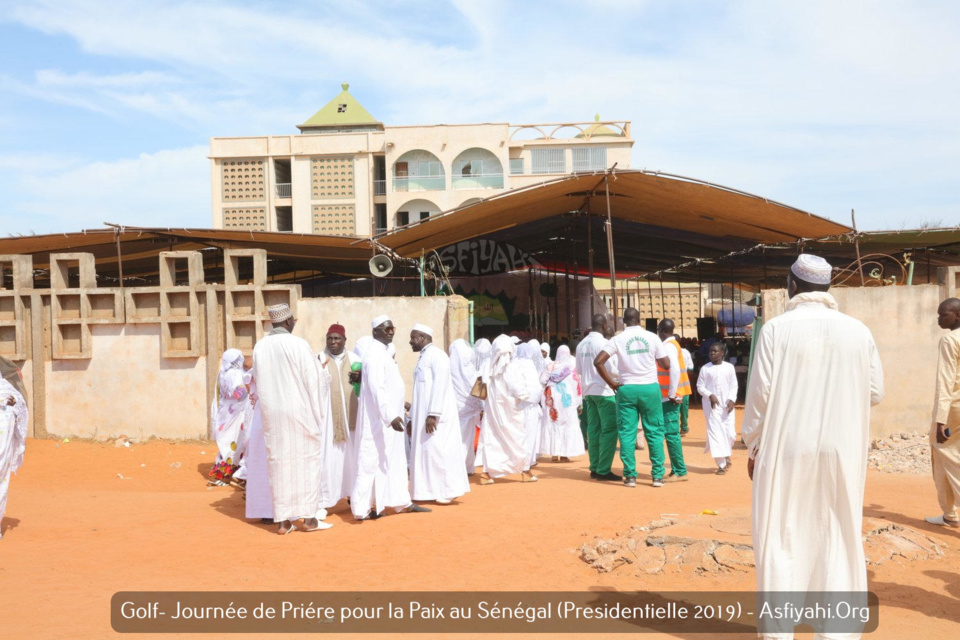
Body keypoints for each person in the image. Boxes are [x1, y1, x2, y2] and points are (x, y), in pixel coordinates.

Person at [742, 254, 884, 632]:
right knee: (837, 530)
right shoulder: (859, 331)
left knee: (780, 534)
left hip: (786, 447)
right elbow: (875, 392)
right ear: (827, 288)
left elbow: (759, 398)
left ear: (793, 285)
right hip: (842, 449)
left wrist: (753, 446)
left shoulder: (776, 330)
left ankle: (778, 629)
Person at [252, 304, 330, 534]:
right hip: (299, 413)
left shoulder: (260, 347)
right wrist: (318, 414)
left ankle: (284, 522)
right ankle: (309, 519)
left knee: (279, 463)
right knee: (307, 461)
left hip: (274, 416)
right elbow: (313, 380)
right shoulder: (298, 344)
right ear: (287, 322)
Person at [351, 315, 430, 519]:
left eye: (392, 328)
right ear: (375, 331)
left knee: (393, 461)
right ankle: (361, 510)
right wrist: (390, 416)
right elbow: (377, 388)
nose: (391, 332)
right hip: (378, 420)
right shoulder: (374, 354)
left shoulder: (383, 352)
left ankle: (400, 502)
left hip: (389, 420)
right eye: (386, 329)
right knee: (368, 462)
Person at [594, 308, 669, 488]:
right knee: (654, 432)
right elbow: (666, 365)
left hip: (626, 389)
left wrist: (612, 383)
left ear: (624, 322)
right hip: (650, 388)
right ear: (639, 319)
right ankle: (657, 476)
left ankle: (630, 476)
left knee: (627, 433)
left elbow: (598, 361)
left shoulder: (618, 339)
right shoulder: (652, 337)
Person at [408, 324, 471, 505]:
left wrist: (432, 414)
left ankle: (449, 490)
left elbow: (440, 386)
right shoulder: (423, 357)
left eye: (413, 338)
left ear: (422, 337)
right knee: (428, 452)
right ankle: (429, 489)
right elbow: (417, 391)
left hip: (436, 417)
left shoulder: (438, 356)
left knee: (440, 451)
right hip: (423, 416)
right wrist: (412, 417)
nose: (410, 341)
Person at [477, 335, 538, 484]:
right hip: (511, 411)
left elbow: (480, 385)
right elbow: (519, 389)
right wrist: (528, 395)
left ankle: (486, 474)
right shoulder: (511, 367)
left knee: (492, 440)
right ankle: (525, 471)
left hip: (493, 411)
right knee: (517, 440)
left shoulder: (487, 366)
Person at [317, 323, 361, 511]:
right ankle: (327, 498)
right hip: (329, 421)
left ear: (344, 340)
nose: (333, 342)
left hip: (352, 419)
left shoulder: (355, 359)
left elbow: (362, 387)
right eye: (330, 338)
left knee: (353, 457)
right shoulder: (319, 358)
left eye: (337, 338)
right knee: (329, 459)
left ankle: (354, 494)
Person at [926, 298, 960, 528]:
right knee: (945, 455)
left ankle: (950, 512)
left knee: (947, 455)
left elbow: (946, 380)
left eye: (943, 314)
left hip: (954, 409)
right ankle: (950, 514)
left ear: (957, 316)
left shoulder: (949, 339)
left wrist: (940, 420)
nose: (939, 318)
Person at [576, 314, 620, 481]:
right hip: (604, 392)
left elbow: (579, 370)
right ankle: (603, 470)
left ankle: (594, 467)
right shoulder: (604, 343)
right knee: (609, 430)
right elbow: (611, 368)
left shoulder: (581, 344)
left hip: (589, 393)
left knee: (593, 430)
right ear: (604, 325)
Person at [655, 319, 690, 482]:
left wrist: (671, 393)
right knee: (670, 433)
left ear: (660, 330)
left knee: (671, 434)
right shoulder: (673, 345)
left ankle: (679, 470)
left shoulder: (668, 346)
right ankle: (677, 469)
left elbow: (674, 370)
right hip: (671, 395)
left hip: (669, 397)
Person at [208, 348, 248, 486]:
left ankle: (219, 474)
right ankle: (230, 475)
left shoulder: (222, 374)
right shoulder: (235, 374)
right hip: (235, 416)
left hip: (225, 414)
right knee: (235, 444)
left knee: (227, 445)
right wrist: (251, 385)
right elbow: (239, 393)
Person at [697, 341, 737, 474]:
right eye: (710, 351)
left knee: (729, 433)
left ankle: (726, 454)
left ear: (722, 353)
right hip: (711, 406)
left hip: (727, 406)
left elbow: (734, 385)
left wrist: (732, 399)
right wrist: (710, 395)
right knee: (715, 432)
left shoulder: (729, 367)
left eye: (715, 351)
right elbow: (700, 386)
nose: (712, 353)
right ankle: (721, 465)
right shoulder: (705, 368)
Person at [539, 345, 584, 462]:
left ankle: (554, 454)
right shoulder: (572, 367)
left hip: (552, 398)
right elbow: (577, 385)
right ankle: (564, 455)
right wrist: (579, 403)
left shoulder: (550, 366)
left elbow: (542, 380)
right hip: (567, 400)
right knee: (567, 424)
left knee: (554, 423)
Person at [449, 339, 483, 474]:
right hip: (467, 409)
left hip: (455, 409)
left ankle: (466, 467)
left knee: (458, 438)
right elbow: (478, 389)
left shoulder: (448, 368)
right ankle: (461, 469)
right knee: (466, 439)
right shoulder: (470, 370)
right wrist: (483, 405)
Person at [0, 378, 27, 540]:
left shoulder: (4, 386)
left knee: (1, 476)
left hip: (3, 441)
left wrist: (13, 402)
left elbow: (17, 401)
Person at [515, 342, 545, 468]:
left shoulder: (515, 364)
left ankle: (520, 460)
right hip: (531, 404)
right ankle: (529, 460)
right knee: (531, 433)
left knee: (519, 433)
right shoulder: (531, 364)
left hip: (519, 404)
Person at [679, 343, 694, 436]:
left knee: (671, 407)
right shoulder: (685, 352)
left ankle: (672, 428)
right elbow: (691, 368)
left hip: (669, 384)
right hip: (683, 383)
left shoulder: (664, 349)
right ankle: (684, 427)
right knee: (684, 406)